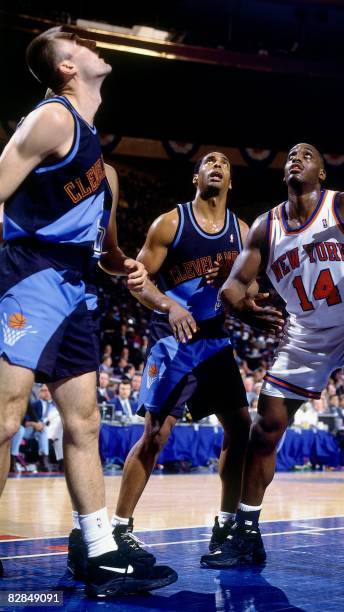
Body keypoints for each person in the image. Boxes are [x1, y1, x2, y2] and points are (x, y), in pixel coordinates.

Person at [0, 26, 176, 593]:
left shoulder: (104, 166)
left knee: (85, 423)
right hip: (28, 278)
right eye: (82, 42)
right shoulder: (51, 118)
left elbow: (104, 251)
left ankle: (97, 550)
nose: (96, 46)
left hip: (75, 290)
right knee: (4, 421)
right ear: (67, 67)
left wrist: (126, 267)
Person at [201, 143, 344, 582]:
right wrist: (240, 306)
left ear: (321, 172)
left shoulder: (342, 204)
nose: (296, 158)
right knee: (265, 431)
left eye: (307, 154)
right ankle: (246, 534)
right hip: (304, 334)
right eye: (291, 155)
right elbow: (234, 284)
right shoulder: (265, 226)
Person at [88, 151, 253, 568]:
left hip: (216, 341)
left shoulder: (244, 232)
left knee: (241, 429)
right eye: (208, 162)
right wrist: (168, 306)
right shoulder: (171, 223)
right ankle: (120, 528)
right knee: (155, 436)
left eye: (224, 163)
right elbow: (137, 281)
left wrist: (251, 300)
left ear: (230, 181)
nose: (216, 165)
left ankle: (226, 523)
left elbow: (244, 295)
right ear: (195, 176)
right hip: (174, 341)